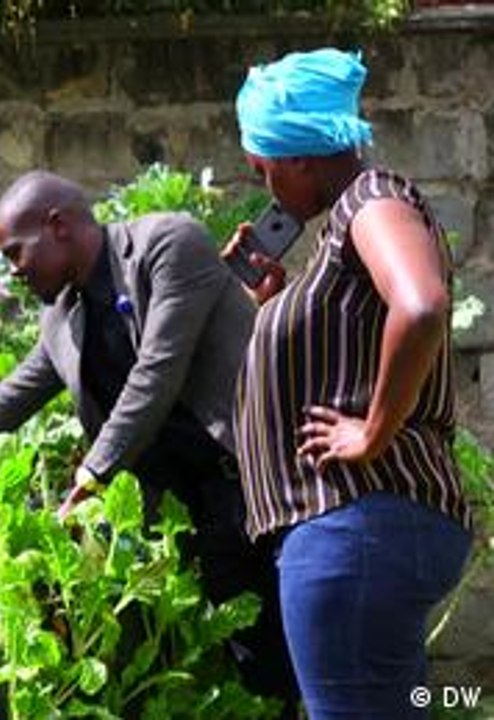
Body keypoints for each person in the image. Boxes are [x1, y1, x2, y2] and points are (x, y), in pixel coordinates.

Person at [0, 170, 299, 710]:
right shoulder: (63, 317)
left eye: (15, 252)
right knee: (250, 671)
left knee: (306, 658)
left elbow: (156, 372)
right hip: (190, 513)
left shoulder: (168, 244)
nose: (13, 271)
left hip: (259, 487)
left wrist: (92, 475)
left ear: (58, 225)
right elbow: (0, 407)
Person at [227, 48, 473, 719]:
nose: (266, 187)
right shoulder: (345, 228)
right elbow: (359, 328)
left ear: (301, 158)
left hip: (355, 520)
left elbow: (420, 305)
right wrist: (275, 304)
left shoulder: (372, 199)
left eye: (264, 168)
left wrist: (373, 431)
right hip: (355, 528)